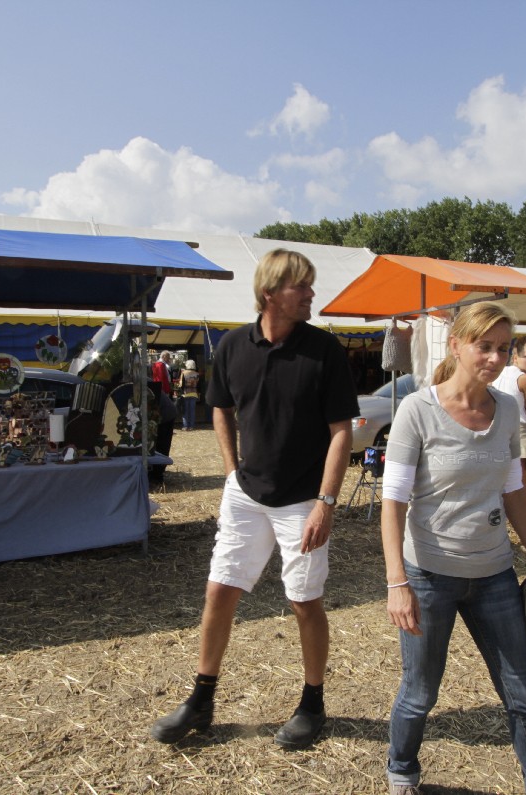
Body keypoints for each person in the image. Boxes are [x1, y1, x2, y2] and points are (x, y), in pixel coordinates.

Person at [150, 249, 359, 750]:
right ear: (270, 293)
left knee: (303, 600)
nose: (311, 293)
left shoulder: (324, 350)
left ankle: (312, 703)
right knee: (219, 591)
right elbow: (220, 408)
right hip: (245, 495)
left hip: (302, 499)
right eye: (300, 286)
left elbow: (341, 432)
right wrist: (230, 472)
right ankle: (201, 699)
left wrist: (326, 502)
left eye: (309, 285)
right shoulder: (231, 346)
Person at [380, 301, 526, 795]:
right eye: (485, 346)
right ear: (457, 345)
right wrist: (397, 582)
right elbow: (393, 503)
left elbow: (514, 490)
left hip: (494, 574)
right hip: (428, 575)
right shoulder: (417, 411)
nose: (496, 358)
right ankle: (402, 770)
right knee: (420, 693)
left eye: (504, 348)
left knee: (523, 693)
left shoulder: (507, 409)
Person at [493, 334, 526, 507]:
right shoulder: (524, 379)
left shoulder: (498, 373)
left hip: (497, 430)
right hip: (518, 431)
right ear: (515, 357)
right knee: (523, 483)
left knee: (501, 482)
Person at [177, 359, 201, 431]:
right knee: (192, 410)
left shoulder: (184, 373)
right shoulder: (197, 374)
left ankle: (185, 426)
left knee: (185, 410)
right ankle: (191, 426)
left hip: (185, 393)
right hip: (194, 393)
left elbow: (181, 385)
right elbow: (199, 385)